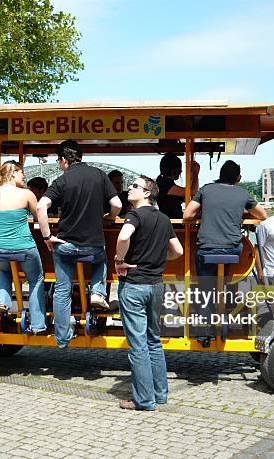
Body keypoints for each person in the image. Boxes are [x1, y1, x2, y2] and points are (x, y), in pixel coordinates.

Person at [37, 140, 122, 349]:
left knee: (62, 290)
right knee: (101, 259)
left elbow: (41, 207)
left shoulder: (61, 181)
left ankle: (63, 337)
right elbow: (117, 204)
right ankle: (97, 292)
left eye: (58, 161)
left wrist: (47, 237)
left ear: (64, 160)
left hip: (65, 245)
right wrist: (109, 217)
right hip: (93, 246)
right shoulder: (99, 175)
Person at [114, 175, 183, 411]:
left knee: (138, 344)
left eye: (134, 186)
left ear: (146, 193)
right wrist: (157, 259)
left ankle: (143, 400)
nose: (129, 188)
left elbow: (124, 236)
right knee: (154, 340)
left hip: (134, 284)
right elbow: (178, 251)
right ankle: (160, 394)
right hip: (156, 285)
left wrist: (119, 259)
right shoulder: (164, 218)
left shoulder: (134, 215)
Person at [182, 160, 267, 339]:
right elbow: (263, 215)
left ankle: (206, 330)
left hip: (207, 248)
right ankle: (228, 308)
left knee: (205, 286)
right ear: (238, 177)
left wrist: (205, 212)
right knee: (228, 279)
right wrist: (240, 213)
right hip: (232, 249)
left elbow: (187, 215)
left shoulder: (206, 189)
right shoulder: (242, 193)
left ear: (220, 174)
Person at [0, 161, 46, 332]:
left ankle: (1, 302)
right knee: (36, 280)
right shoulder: (27, 194)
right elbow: (38, 215)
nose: (24, 177)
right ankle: (38, 324)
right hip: (24, 246)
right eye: (21, 173)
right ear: (12, 173)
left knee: (4, 272)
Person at [155, 153, 199, 219]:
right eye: (179, 168)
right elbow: (192, 191)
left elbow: (188, 195)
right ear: (173, 169)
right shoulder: (164, 183)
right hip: (172, 223)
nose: (181, 171)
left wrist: (192, 176)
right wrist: (195, 174)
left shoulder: (164, 182)